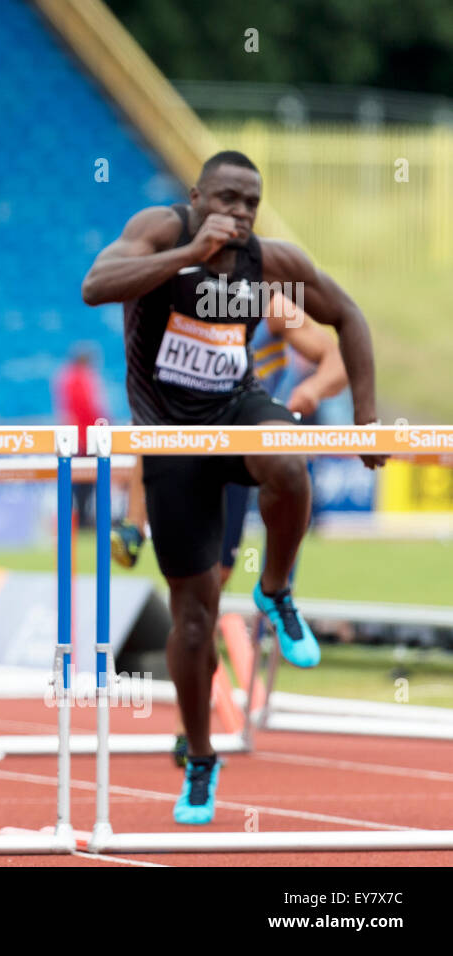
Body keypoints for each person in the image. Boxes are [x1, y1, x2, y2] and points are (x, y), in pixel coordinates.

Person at [81, 150, 383, 825]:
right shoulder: (160, 229)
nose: (240, 213)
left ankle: (275, 591)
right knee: (194, 616)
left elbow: (350, 316)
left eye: (251, 202)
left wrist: (366, 419)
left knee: (287, 462)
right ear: (197, 196)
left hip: (236, 411)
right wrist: (189, 250)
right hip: (169, 437)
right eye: (227, 199)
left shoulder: (270, 263)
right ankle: (199, 754)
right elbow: (96, 285)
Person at [110, 289, 349, 765]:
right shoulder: (178, 308)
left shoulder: (268, 305)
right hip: (191, 457)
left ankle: (276, 593)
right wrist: (135, 520)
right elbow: (152, 420)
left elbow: (337, 357)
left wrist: (309, 393)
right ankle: (189, 729)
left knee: (212, 590)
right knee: (197, 605)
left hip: (252, 456)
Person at [54, 346, 108, 528]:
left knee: (77, 481)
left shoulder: (66, 377)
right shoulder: (82, 379)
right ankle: (82, 519)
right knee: (86, 481)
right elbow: (90, 409)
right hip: (86, 437)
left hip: (76, 436)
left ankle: (75, 519)